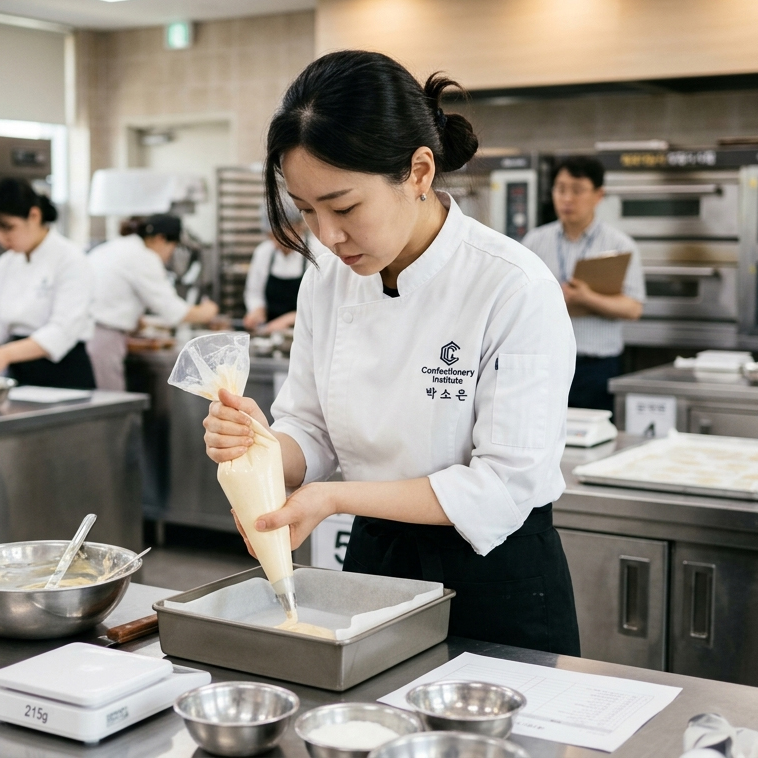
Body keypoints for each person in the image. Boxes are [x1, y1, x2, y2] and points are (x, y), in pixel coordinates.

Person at [201, 51, 581, 655]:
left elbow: (503, 485)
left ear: (419, 172)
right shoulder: (328, 275)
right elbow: (311, 428)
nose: (326, 235)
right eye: (307, 210)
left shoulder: (512, 285)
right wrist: (261, 446)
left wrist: (333, 498)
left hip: (494, 578)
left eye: (345, 207)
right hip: (376, 564)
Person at [521, 156, 645, 412]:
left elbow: (633, 308)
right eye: (560, 189)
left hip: (597, 366)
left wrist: (587, 298)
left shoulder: (620, 245)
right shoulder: (535, 241)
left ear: (599, 195)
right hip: (545, 363)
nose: (567, 198)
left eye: (577, 190)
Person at [0, 178, 95, 390]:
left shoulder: (70, 258)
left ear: (34, 216)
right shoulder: (6, 262)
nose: (2, 238)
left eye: (8, 228)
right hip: (19, 373)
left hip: (64, 374)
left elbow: (62, 331)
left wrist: (4, 354)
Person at [86, 215, 220, 391]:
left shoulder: (118, 247)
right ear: (160, 239)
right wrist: (208, 311)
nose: (170, 255)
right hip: (102, 339)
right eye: (172, 248)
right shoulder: (144, 257)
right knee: (109, 405)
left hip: (86, 334)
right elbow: (174, 312)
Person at [242, 199, 308, 333]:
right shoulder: (264, 252)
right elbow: (254, 293)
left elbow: (323, 305)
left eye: (282, 235)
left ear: (298, 227)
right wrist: (257, 310)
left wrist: (290, 319)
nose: (276, 241)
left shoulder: (318, 254)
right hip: (270, 332)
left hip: (306, 332)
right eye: (271, 236)